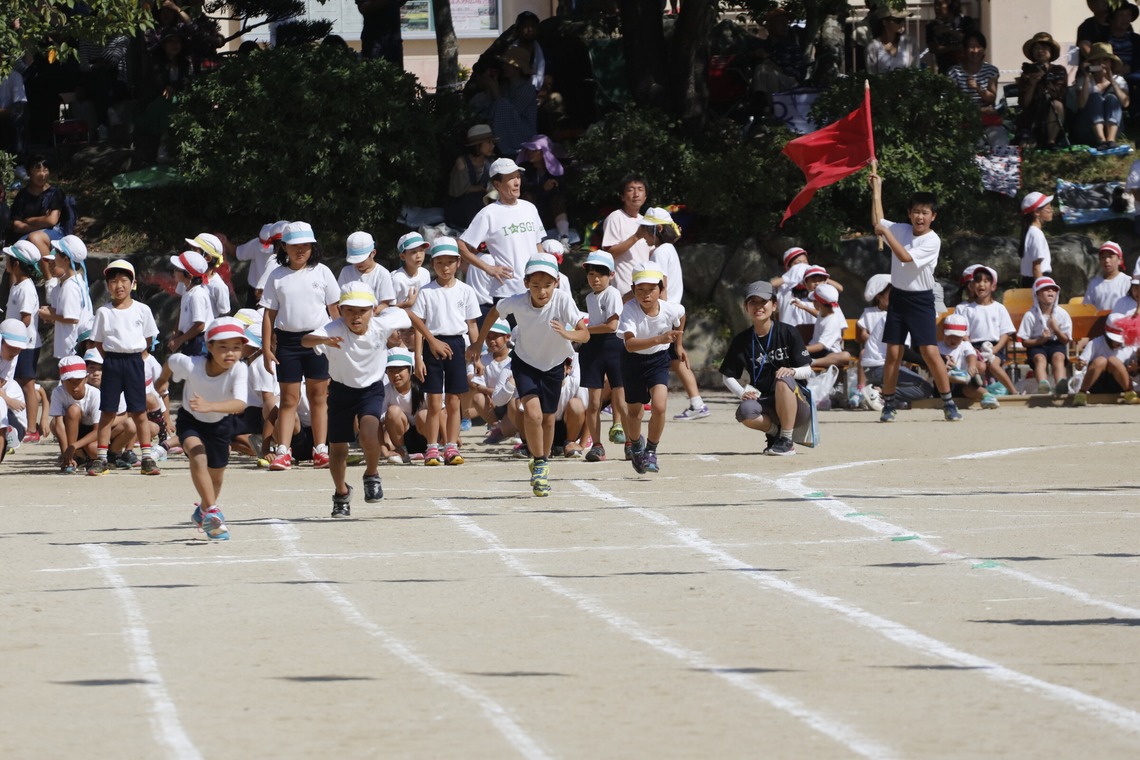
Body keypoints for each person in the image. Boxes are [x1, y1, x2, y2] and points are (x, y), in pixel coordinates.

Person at [467, 254, 588, 497]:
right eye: (535, 285)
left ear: (556, 283)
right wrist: (478, 343)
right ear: (525, 283)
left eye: (547, 285)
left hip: (554, 365)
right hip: (525, 363)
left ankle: (543, 458)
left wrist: (568, 334)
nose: (541, 291)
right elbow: (493, 313)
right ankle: (540, 462)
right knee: (532, 413)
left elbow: (584, 334)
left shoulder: (563, 301)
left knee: (549, 419)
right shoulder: (518, 302)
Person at [304, 282, 411, 516]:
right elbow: (306, 340)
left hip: (371, 390)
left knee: (369, 431)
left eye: (362, 310)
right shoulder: (334, 329)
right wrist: (324, 341)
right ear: (341, 311)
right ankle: (341, 493)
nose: (356, 316)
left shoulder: (382, 324)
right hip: (341, 392)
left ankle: (372, 475)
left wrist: (430, 341)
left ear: (372, 310)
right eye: (349, 310)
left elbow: (409, 316)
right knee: (338, 449)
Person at [869, 175, 961, 422]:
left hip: (921, 300)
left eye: (925, 213)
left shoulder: (932, 240)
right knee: (893, 353)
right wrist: (877, 191)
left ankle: (948, 402)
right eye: (916, 212)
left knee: (930, 352)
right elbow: (879, 222)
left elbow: (905, 258)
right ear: (909, 213)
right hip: (898, 298)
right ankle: (889, 404)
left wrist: (886, 234)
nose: (920, 217)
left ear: (933, 217)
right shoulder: (900, 229)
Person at [156, 318, 250, 540]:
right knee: (197, 456)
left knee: (216, 476)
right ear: (209, 346)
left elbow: (240, 404)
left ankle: (204, 511)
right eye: (223, 347)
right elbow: (172, 360)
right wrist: (162, 380)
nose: (230, 353)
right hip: (191, 421)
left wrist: (211, 407)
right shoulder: (192, 364)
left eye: (236, 347)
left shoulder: (239, 370)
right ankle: (213, 513)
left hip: (220, 425)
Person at [260, 221, 340, 471]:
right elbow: (268, 315)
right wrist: (265, 348)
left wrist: (339, 342)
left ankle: (321, 449)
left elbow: (334, 310)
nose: (300, 250)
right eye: (294, 246)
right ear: (284, 247)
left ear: (312, 246)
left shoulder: (323, 272)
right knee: (288, 398)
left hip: (319, 339)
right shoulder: (277, 275)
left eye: (305, 245)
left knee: (319, 397)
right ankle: (283, 450)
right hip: (288, 342)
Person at [409, 237, 481, 467]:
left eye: (450, 262)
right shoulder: (427, 291)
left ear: (458, 263)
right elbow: (418, 326)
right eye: (440, 263)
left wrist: (476, 354)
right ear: (433, 265)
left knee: (453, 401)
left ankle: (451, 445)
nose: (446, 267)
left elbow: (471, 325)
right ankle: (432, 447)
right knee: (433, 401)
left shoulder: (466, 291)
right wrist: (418, 357)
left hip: (457, 345)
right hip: (433, 345)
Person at [719, 281, 813, 456]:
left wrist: (792, 372)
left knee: (783, 379)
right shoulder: (742, 340)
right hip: (765, 401)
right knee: (745, 411)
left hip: (797, 404)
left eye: (763, 302)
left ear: (774, 305)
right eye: (752, 302)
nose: (758, 307)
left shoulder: (788, 332)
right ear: (746, 307)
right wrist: (741, 393)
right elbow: (728, 375)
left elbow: (807, 370)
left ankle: (786, 440)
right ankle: (774, 433)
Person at [87, 260, 162, 476]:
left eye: (123, 281)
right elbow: (98, 343)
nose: (118, 286)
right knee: (108, 411)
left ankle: (147, 457)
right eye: (113, 281)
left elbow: (148, 338)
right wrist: (111, 357)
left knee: (139, 411)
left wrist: (131, 354)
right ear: (108, 285)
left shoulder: (142, 310)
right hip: (111, 362)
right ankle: (101, 459)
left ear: (133, 283)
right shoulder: (103, 312)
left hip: (134, 362)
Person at [636, 207, 710, 421]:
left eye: (646, 229)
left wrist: (656, 313)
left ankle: (642, 401)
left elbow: (662, 285)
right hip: (673, 312)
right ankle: (697, 403)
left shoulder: (659, 252)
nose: (643, 234)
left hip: (664, 311)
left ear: (657, 229)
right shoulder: (669, 249)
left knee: (653, 356)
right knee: (675, 359)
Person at [618, 263, 686, 474]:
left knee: (660, 406)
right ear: (633, 289)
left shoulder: (669, 308)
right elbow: (629, 344)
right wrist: (659, 338)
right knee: (635, 413)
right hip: (633, 362)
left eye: (651, 289)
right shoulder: (629, 309)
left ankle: (651, 450)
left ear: (660, 289)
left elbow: (682, 315)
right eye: (640, 290)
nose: (646, 295)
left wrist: (678, 344)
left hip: (658, 360)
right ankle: (636, 444)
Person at [458, 157, 545, 303]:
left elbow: (538, 246)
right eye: (511, 178)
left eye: (518, 177)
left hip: (536, 289)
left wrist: (548, 271)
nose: (517, 182)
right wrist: (488, 268)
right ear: (497, 184)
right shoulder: (488, 214)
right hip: (507, 292)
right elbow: (462, 246)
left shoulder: (530, 208)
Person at [856, 274, 931, 408]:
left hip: (878, 367)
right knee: (923, 388)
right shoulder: (892, 317)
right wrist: (930, 362)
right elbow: (905, 352)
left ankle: (879, 395)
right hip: (880, 367)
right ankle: (877, 391)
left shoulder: (892, 315)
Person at [579, 250, 626, 462]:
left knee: (622, 399)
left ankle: (631, 442)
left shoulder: (613, 294)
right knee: (594, 402)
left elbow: (612, 325)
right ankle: (597, 445)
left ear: (611, 275)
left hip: (614, 345)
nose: (595, 278)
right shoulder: (589, 297)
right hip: (592, 347)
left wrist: (583, 330)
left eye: (601, 274)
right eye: (591, 274)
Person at [954, 265, 1017, 398]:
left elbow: (1006, 333)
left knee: (994, 365)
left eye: (986, 281)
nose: (981, 284)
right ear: (972, 286)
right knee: (980, 366)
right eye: (977, 281)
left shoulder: (999, 308)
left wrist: (995, 349)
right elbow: (964, 333)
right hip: (973, 346)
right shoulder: (967, 309)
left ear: (993, 286)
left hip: (994, 346)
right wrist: (972, 348)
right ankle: (981, 390)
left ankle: (1013, 391)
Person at [4, 240, 43, 442]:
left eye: (9, 260)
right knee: (18, 382)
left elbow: (26, 318)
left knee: (28, 384)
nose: (6, 263)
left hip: (25, 344)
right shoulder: (17, 285)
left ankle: (31, 429)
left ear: (16, 264)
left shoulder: (26, 288)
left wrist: (12, 335)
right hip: (16, 342)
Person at [946, 31, 1006, 148]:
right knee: (973, 146)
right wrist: (979, 110)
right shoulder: (954, 72)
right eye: (971, 47)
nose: (975, 51)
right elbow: (953, 103)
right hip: (965, 122)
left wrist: (978, 88)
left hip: (988, 121)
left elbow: (991, 99)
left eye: (979, 47)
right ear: (964, 50)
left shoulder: (991, 70)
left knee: (1001, 143)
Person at [38, 235, 93, 361]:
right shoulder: (75, 282)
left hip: (72, 347)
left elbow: (72, 318)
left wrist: (50, 315)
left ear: (66, 259)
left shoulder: (70, 286)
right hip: (73, 345)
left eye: (57, 253)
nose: (54, 256)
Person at [1017, 276, 1072, 395]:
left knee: (1059, 357)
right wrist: (1040, 341)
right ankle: (1043, 384)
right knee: (1039, 359)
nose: (1050, 291)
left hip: (1056, 342)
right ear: (1037, 294)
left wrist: (1056, 329)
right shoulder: (1030, 315)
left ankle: (1061, 384)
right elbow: (1024, 341)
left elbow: (1066, 340)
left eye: (1053, 289)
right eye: (1046, 289)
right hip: (1037, 344)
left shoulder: (1062, 314)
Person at [1016, 33, 1069, 150]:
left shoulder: (1059, 70)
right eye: (1036, 48)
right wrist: (1032, 84)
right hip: (1031, 119)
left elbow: (1060, 95)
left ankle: (1051, 142)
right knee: (1025, 146)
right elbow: (1024, 104)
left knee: (1057, 105)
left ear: (1051, 52)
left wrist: (1045, 78)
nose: (1040, 51)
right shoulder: (1028, 72)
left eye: (1044, 48)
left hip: (1052, 118)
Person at [1073, 42, 1130, 150]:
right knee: (1094, 96)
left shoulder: (1119, 80)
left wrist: (1112, 81)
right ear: (1092, 63)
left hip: (1113, 127)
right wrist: (1086, 77)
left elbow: (1125, 103)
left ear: (1111, 63)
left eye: (1105, 60)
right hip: (1088, 128)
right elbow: (1081, 105)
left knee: (1111, 98)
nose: (1101, 63)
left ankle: (1110, 140)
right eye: (1097, 61)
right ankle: (1101, 140)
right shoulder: (1084, 80)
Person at [601, 174, 650, 299]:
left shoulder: (645, 221)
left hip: (645, 289)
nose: (636, 194)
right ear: (622, 196)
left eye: (640, 189)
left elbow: (651, 253)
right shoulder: (615, 218)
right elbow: (609, 254)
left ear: (645, 196)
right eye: (630, 189)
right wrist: (635, 237)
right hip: (624, 291)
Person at [1073, 313, 1139, 405]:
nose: (1118, 342)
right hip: (1096, 384)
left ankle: (1129, 394)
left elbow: (1133, 372)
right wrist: (1079, 365)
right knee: (1101, 360)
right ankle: (1081, 394)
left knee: (1113, 360)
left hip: (1120, 385)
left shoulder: (1130, 347)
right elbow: (1080, 366)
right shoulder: (1095, 343)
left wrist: (1134, 371)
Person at [517, 135, 570, 244]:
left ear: (543, 152)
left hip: (550, 211)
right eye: (529, 150)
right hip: (533, 209)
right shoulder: (524, 168)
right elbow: (525, 187)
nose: (530, 153)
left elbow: (563, 189)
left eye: (534, 150)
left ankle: (564, 237)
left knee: (557, 199)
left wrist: (554, 186)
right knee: (527, 197)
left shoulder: (555, 170)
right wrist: (542, 187)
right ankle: (532, 238)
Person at [7, 156, 64, 255]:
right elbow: (17, 226)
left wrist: (28, 220)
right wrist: (42, 221)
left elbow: (52, 220)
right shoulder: (22, 196)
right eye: (37, 170)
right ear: (29, 172)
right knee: (28, 241)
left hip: (53, 233)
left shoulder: (55, 193)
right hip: (27, 236)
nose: (42, 174)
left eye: (45, 170)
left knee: (35, 238)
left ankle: (49, 270)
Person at [382, 347, 430, 463]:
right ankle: (403, 452)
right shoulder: (386, 391)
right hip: (404, 439)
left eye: (400, 369)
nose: (396, 374)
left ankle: (434, 448)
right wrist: (383, 449)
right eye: (391, 370)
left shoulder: (424, 388)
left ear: (411, 370)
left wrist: (447, 441)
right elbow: (379, 422)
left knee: (424, 414)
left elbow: (442, 413)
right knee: (393, 411)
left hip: (427, 435)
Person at [489, 47, 538, 157]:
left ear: (518, 68)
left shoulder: (527, 89)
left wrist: (495, 91)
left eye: (508, 65)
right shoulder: (506, 87)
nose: (504, 68)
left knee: (502, 104)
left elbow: (511, 112)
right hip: (509, 131)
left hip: (523, 134)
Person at [445, 125, 495, 230]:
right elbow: (457, 191)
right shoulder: (462, 162)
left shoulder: (490, 162)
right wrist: (479, 188)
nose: (492, 146)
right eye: (488, 142)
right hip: (462, 208)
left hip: (482, 205)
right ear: (477, 145)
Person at [938, 313, 994, 408]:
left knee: (969, 389)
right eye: (949, 335)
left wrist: (971, 365)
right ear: (943, 332)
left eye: (957, 336)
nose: (953, 339)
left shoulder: (965, 345)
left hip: (964, 380)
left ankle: (987, 396)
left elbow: (970, 355)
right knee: (943, 375)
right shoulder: (938, 346)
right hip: (945, 381)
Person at [167, 251, 211, 356]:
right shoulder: (187, 290)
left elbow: (200, 325)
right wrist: (176, 332)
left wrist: (179, 340)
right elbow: (182, 312)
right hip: (189, 338)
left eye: (177, 270)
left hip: (199, 341)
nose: (174, 272)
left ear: (189, 275)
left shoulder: (197, 295)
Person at [339, 231, 395, 313]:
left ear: (373, 253)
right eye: (354, 261)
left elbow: (385, 304)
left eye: (361, 260)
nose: (357, 264)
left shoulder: (382, 274)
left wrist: (366, 315)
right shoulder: (346, 272)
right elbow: (339, 299)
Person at [235, 221, 285, 309]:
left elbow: (239, 253)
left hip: (261, 288)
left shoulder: (255, 245)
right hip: (259, 290)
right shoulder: (274, 260)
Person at [804, 283, 851, 370]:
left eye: (814, 300)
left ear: (818, 303)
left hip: (829, 353)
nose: (812, 302)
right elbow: (818, 314)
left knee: (845, 356)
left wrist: (800, 349)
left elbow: (821, 346)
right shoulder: (823, 313)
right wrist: (803, 307)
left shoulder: (833, 320)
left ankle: (812, 362)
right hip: (815, 350)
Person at [927, 0, 975, 73]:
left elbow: (972, 41)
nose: (936, 8)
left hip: (966, 72)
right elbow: (933, 48)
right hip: (945, 72)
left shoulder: (966, 22)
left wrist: (950, 31)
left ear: (951, 4)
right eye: (935, 5)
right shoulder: (932, 26)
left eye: (939, 5)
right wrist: (955, 48)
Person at [865, 6, 917, 74]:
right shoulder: (873, 47)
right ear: (885, 22)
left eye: (903, 20)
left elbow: (915, 70)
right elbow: (872, 74)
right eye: (897, 20)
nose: (902, 23)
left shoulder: (909, 43)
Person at [1084, 241, 1132, 311]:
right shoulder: (1094, 283)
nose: (1106, 260)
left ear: (1120, 260)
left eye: (1110, 257)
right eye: (1103, 257)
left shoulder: (1127, 282)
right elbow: (1087, 307)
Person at [1019, 192, 1054, 287]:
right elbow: (1036, 268)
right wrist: (1041, 289)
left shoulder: (1032, 232)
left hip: (1033, 281)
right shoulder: (1036, 234)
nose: (1051, 210)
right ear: (1036, 212)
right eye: (1048, 208)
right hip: (1036, 281)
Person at [356, 0, 407, 66]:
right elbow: (364, 8)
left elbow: (397, 3)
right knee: (375, 73)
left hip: (394, 44)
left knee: (396, 74)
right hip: (375, 44)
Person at [391, 232, 431, 311]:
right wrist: (407, 304)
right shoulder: (396, 279)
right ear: (403, 256)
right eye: (413, 252)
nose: (419, 255)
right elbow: (387, 309)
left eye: (421, 250)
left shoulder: (425, 273)